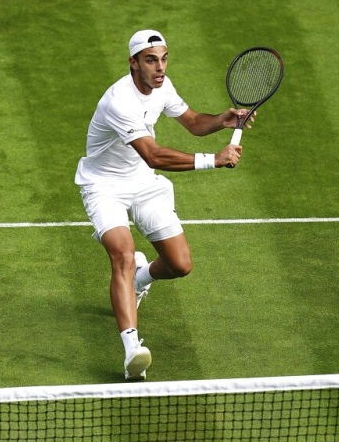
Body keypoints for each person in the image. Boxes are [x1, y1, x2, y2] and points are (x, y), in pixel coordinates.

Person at [74, 29, 256, 380]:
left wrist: (223, 119)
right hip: (104, 186)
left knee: (179, 264)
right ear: (133, 63)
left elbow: (192, 123)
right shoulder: (119, 101)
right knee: (122, 253)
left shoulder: (162, 86)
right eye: (150, 60)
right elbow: (154, 155)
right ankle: (132, 351)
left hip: (143, 184)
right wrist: (214, 160)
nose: (160, 67)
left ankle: (141, 279)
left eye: (164, 58)